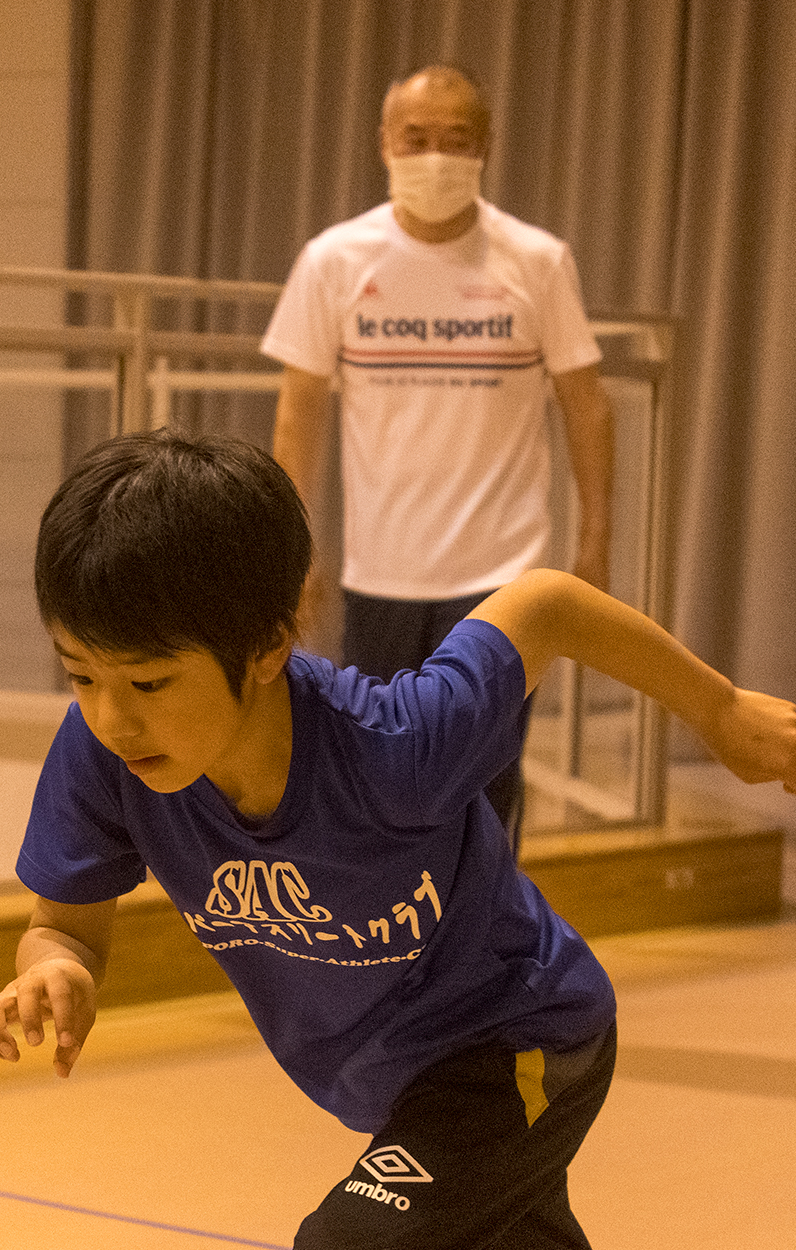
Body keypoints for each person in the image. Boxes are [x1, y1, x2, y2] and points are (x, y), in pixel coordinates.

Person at [0, 432, 796, 1250]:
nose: (113, 716)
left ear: (270, 641)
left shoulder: (396, 743)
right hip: (389, 1083)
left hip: (517, 1038)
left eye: (151, 681)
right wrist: (51, 961)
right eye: (80, 676)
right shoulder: (108, 759)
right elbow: (64, 912)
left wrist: (718, 709)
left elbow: (542, 602)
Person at [263, 64, 616, 834]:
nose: (434, 156)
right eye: (415, 138)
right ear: (384, 143)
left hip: (501, 575)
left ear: (484, 148)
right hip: (380, 573)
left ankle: (489, 946)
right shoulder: (334, 261)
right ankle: (395, 946)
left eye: (454, 141)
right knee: (379, 775)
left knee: (486, 782)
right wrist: (293, 556)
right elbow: (298, 414)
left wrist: (593, 543)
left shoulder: (535, 260)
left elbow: (586, 406)